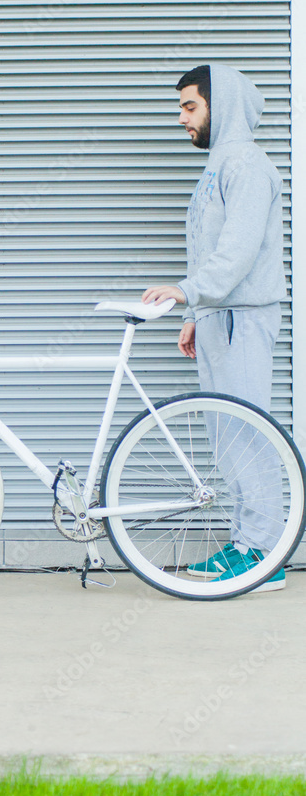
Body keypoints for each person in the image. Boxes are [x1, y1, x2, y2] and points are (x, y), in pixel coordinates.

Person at [141, 64, 287, 592]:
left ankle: (264, 556)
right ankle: (246, 542)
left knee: (247, 434)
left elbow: (238, 252)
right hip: (218, 317)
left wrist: (186, 292)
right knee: (227, 438)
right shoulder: (219, 166)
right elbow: (206, 249)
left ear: (219, 105)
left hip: (242, 317)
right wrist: (192, 314)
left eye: (190, 106)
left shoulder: (245, 164)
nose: (182, 118)